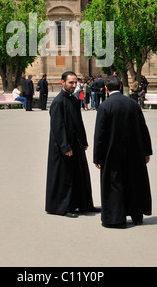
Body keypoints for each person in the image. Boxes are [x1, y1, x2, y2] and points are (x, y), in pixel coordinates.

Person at [93, 75, 152, 228]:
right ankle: (137, 215)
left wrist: (97, 157)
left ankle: (115, 218)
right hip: (134, 151)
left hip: (111, 153)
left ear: (106, 89)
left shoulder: (104, 106)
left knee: (114, 184)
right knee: (134, 182)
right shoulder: (133, 104)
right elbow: (143, 128)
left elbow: (100, 134)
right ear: (120, 87)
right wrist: (147, 151)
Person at [45, 71, 100, 218]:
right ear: (62, 82)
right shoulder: (58, 102)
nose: (74, 85)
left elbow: (78, 123)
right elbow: (58, 126)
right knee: (66, 176)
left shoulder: (74, 100)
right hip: (64, 146)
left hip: (76, 143)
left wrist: (84, 140)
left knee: (80, 174)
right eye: (71, 82)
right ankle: (64, 207)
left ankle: (84, 204)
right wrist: (65, 146)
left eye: (75, 82)